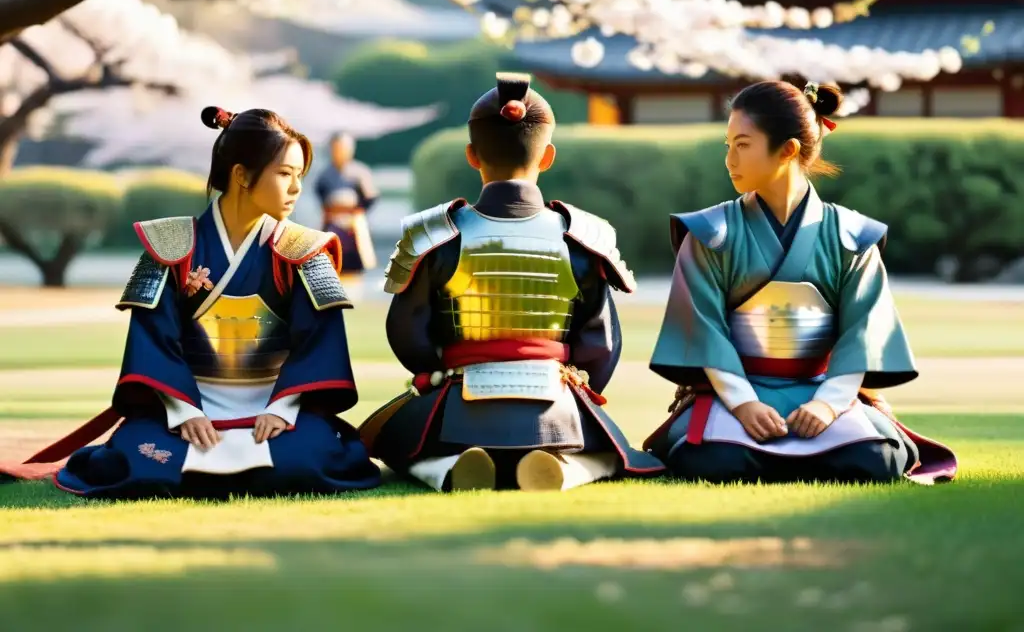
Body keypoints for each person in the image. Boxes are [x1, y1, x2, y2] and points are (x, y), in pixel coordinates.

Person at [13, 107, 381, 499]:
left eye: (299, 176)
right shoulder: (172, 245)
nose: (295, 189)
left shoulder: (305, 250)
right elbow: (152, 341)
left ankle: (224, 463)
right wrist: (185, 411)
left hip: (274, 410)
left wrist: (282, 407)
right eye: (284, 174)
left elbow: (319, 344)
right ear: (241, 175)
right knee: (139, 458)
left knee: (309, 457)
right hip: (187, 405)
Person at [358, 73, 665, 492]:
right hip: (555, 403)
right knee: (608, 452)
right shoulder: (582, 236)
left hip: (456, 401)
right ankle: (563, 469)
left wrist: (437, 374)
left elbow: (407, 333)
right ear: (548, 156)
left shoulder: (435, 235)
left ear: (471, 154)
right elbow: (601, 343)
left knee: (393, 443)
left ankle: (449, 469)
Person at [644, 81, 957, 485]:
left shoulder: (850, 236)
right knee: (711, 462)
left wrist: (828, 405)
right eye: (728, 146)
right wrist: (743, 405)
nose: (729, 160)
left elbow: (862, 333)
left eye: (742, 145)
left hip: (821, 388)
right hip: (736, 389)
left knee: (874, 460)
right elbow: (703, 330)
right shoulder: (710, 233)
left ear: (788, 150)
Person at [315, 132, 379, 277]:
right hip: (332, 224)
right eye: (336, 148)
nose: (340, 152)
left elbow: (370, 197)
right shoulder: (325, 174)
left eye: (343, 148)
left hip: (354, 225)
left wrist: (354, 210)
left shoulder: (360, 173)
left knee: (354, 263)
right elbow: (320, 195)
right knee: (330, 261)